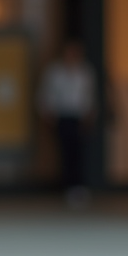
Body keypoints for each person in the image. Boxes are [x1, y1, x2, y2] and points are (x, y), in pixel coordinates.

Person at [38, 40, 96, 207]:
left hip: (79, 116)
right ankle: (68, 186)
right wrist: (48, 114)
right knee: (66, 151)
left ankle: (79, 186)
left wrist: (89, 115)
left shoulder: (85, 72)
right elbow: (45, 95)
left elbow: (89, 96)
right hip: (62, 116)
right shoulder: (55, 72)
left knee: (79, 151)